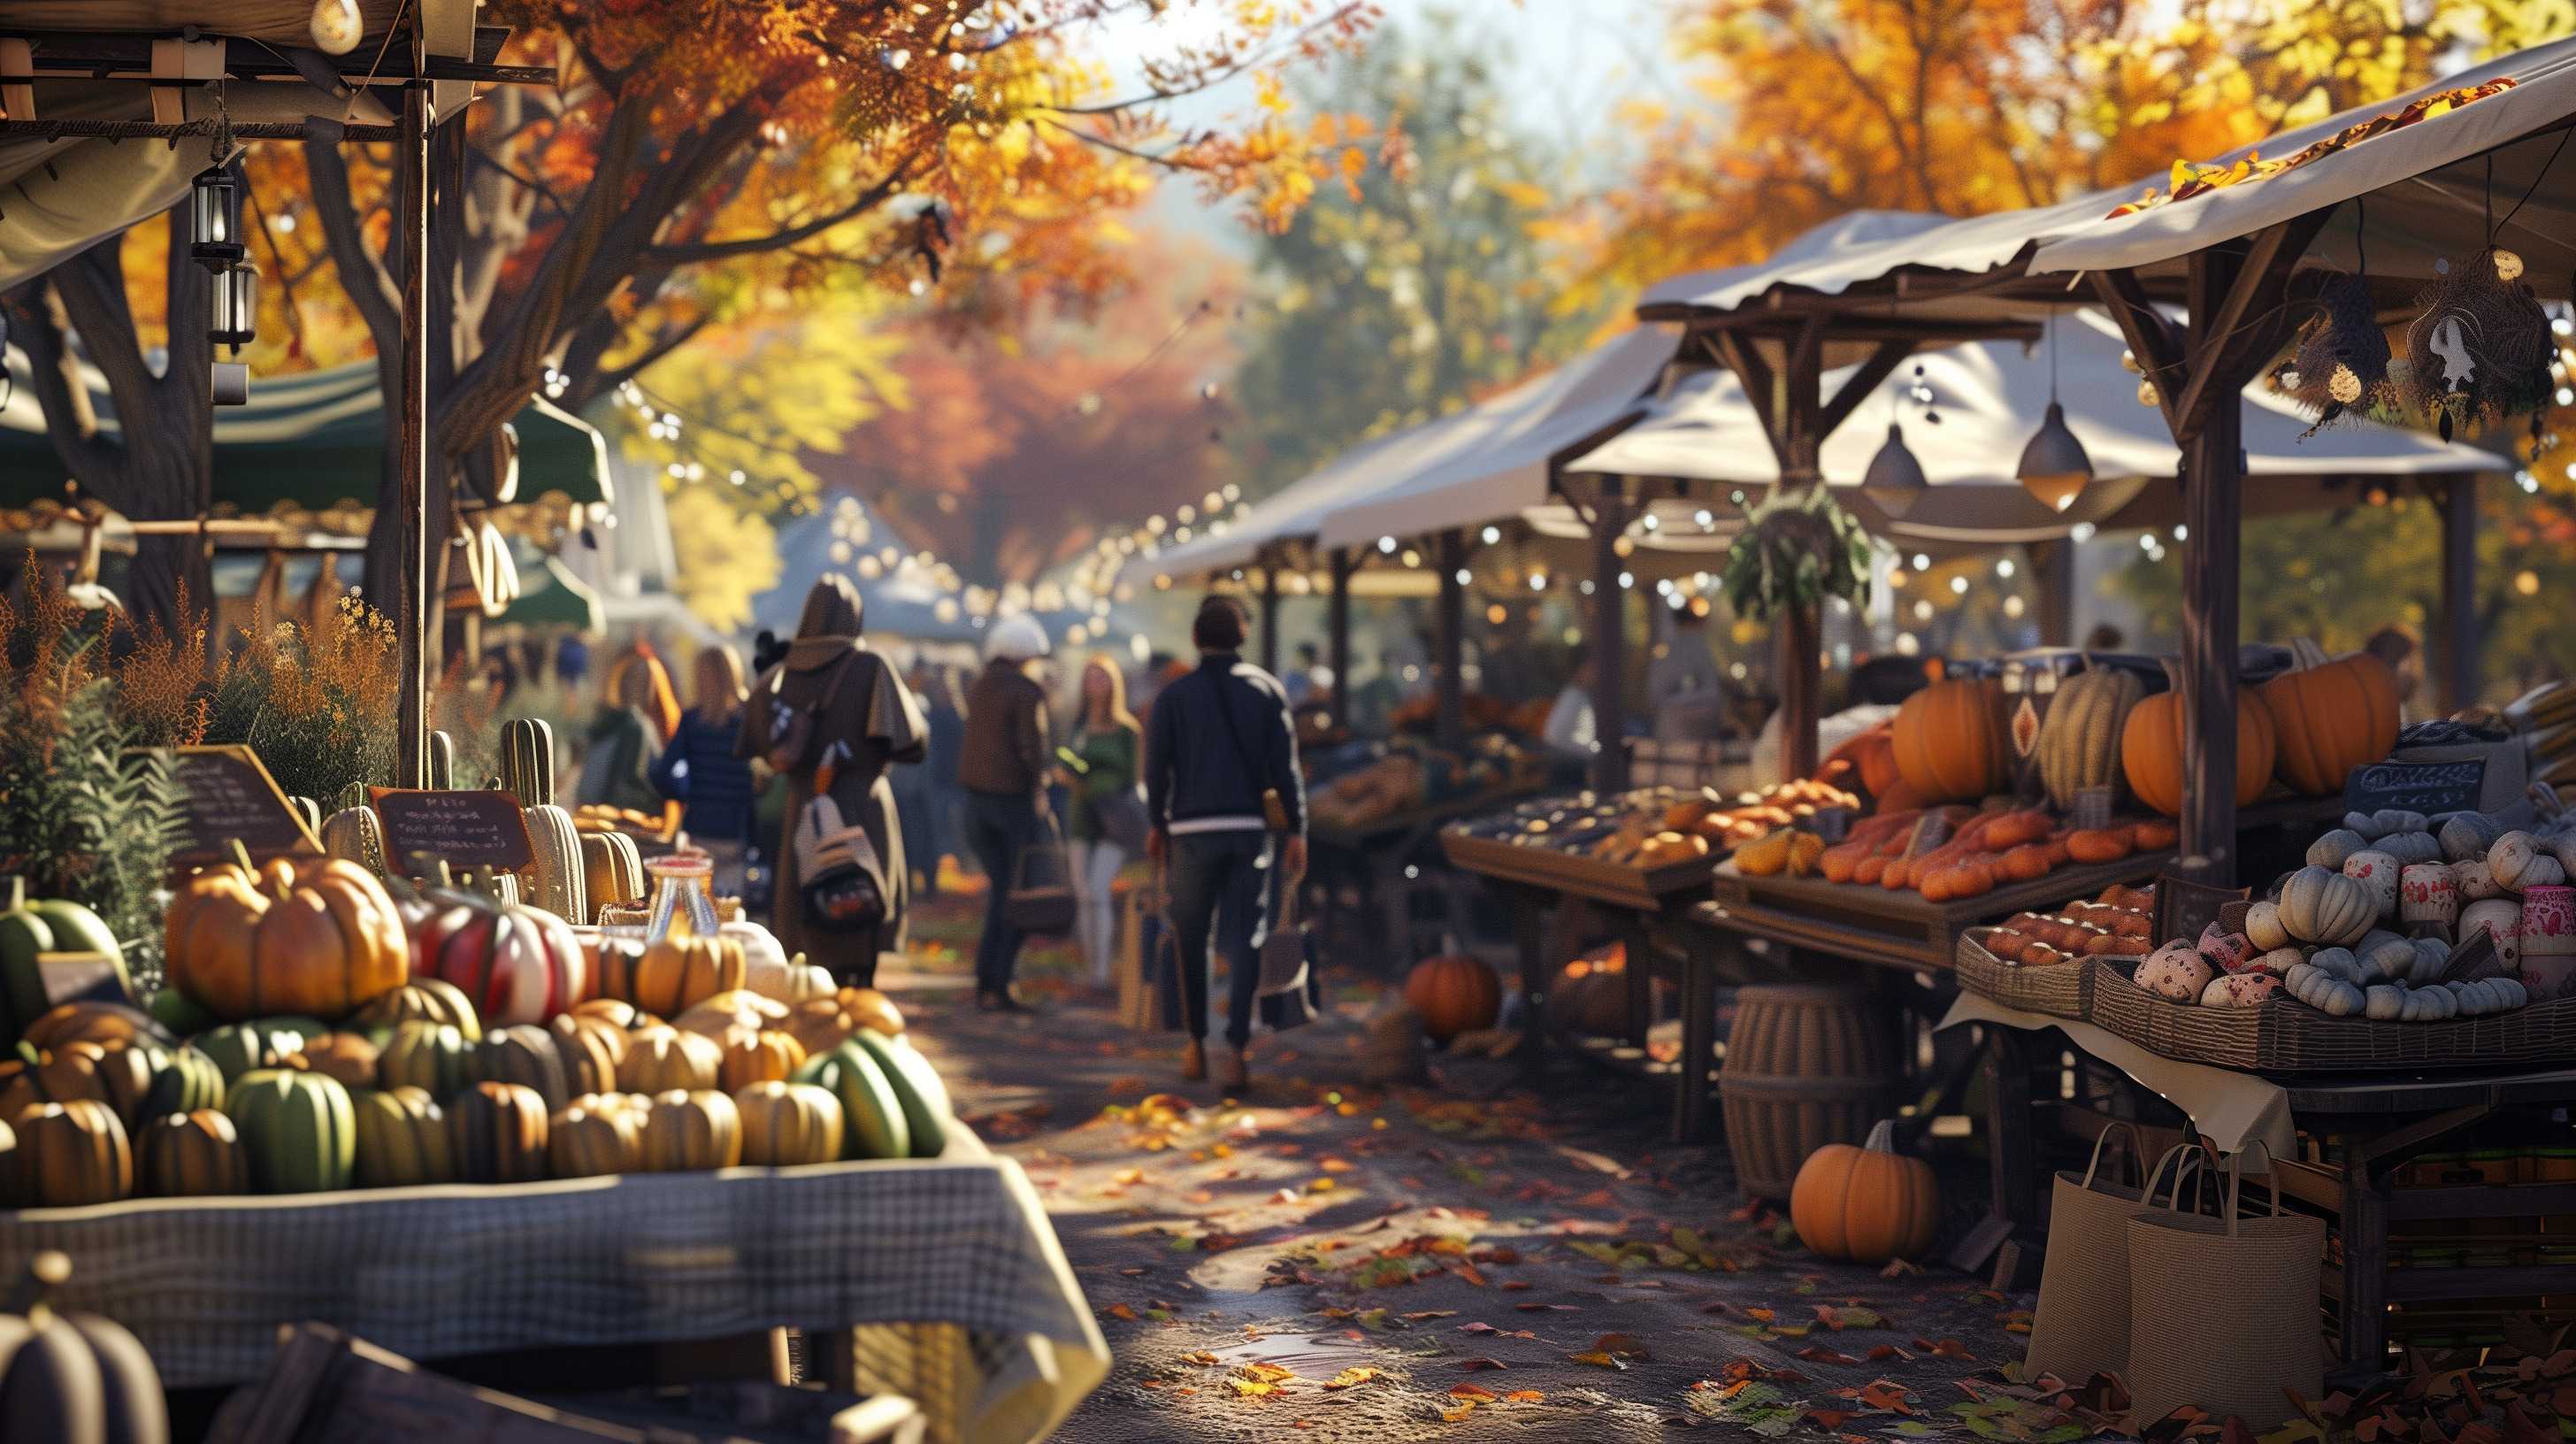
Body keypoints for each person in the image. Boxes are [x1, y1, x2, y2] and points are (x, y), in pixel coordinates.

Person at [1145, 595, 1307, 1089]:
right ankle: (1236, 1046)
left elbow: (1156, 771)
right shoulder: (1266, 689)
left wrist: (1158, 824)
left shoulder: (1173, 697)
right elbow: (1286, 769)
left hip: (1191, 833)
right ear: (1242, 637)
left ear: (1195, 639)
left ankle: (1195, 1044)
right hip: (1247, 831)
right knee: (1246, 938)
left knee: (1192, 939)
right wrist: (1297, 828)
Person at [739, 576, 925, 986]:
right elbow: (912, 743)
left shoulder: (779, 677)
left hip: (803, 808)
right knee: (861, 903)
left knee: (806, 908)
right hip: (862, 805)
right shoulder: (870, 668)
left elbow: (752, 743)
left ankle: (813, 1004)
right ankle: (857, 1001)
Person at [960, 613, 1054, 1010]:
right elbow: (1032, 747)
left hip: (975, 804)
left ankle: (988, 979)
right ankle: (999, 979)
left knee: (1001, 891)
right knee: (1017, 893)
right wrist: (1040, 785)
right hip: (1012, 804)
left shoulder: (980, 688)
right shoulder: (1025, 690)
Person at [1061, 655, 1144, 985]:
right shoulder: (1078, 727)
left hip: (1114, 818)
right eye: (1089, 677)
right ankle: (1090, 962)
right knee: (1083, 892)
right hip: (1082, 813)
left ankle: (1101, 968)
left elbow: (1133, 778)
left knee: (1098, 890)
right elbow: (1068, 760)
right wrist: (1068, 769)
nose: (1095, 683)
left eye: (1101, 677)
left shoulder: (1127, 730)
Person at [654, 642, 759, 897]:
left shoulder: (691, 721)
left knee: (697, 905)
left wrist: (687, 795)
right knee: (729, 906)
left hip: (698, 828)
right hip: (736, 829)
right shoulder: (749, 719)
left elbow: (662, 773)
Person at [578, 658, 666, 816]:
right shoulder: (634, 725)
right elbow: (631, 779)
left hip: (594, 811)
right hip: (613, 815)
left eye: (641, 680)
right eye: (632, 678)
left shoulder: (604, 722)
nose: (634, 686)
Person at [1545, 643, 1599, 754]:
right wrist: (1595, 750)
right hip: (1571, 765)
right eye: (1593, 668)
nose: (1597, 674)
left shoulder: (1583, 695)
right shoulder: (1573, 697)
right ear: (1581, 669)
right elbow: (1556, 737)